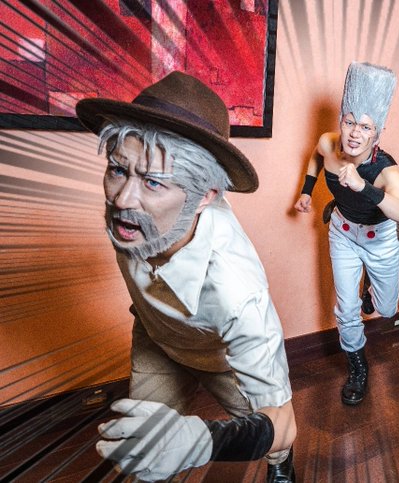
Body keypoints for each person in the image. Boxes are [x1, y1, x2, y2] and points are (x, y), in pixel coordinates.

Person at [75, 71, 297, 482]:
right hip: (157, 339)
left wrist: (205, 441)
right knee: (146, 456)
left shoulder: (237, 292)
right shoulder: (132, 217)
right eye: (118, 170)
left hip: (221, 359)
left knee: (274, 442)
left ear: (205, 197)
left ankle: (282, 468)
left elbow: (283, 422)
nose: (123, 200)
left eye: (153, 182)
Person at [293, 62, 399, 405]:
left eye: (365, 126)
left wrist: (363, 187)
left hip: (379, 239)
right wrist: (306, 191)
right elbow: (315, 158)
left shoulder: (386, 169)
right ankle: (358, 367)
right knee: (346, 309)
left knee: (386, 310)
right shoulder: (328, 143)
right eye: (349, 122)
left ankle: (370, 286)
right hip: (343, 232)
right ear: (341, 121)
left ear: (378, 133)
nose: (355, 133)